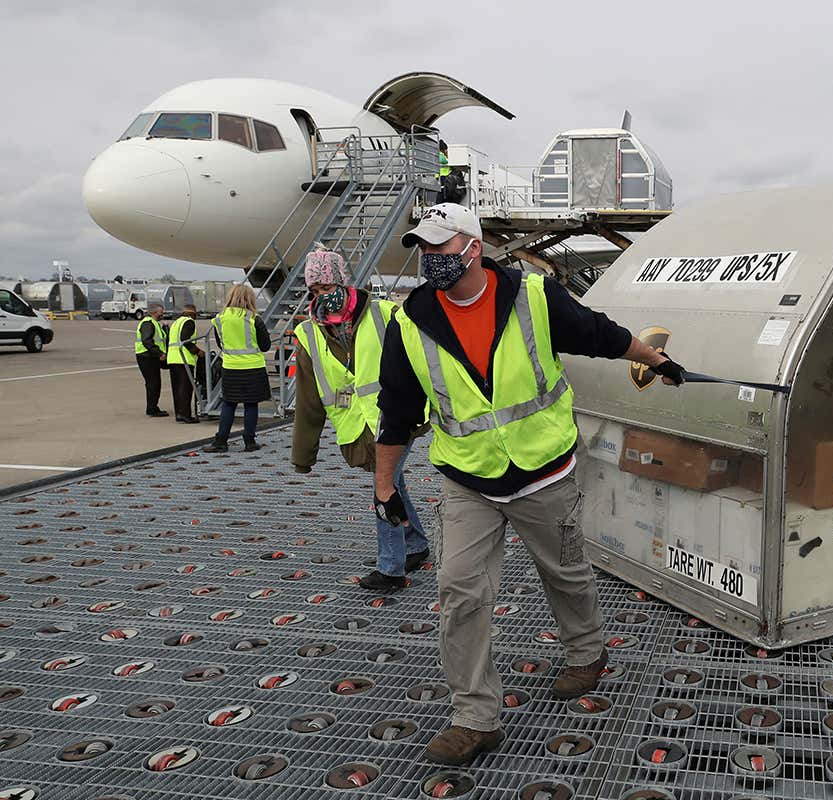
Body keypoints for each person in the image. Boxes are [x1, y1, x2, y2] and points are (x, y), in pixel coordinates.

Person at [374, 203, 686, 765]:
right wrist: (384, 487)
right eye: (423, 248)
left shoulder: (532, 296)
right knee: (459, 589)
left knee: (564, 571)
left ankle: (587, 654)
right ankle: (475, 716)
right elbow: (396, 411)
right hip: (467, 479)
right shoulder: (409, 321)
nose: (430, 259)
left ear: (472, 246)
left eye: (440, 248)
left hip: (545, 473)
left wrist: (653, 359)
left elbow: (600, 336)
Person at [291, 248, 429, 589]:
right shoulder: (309, 334)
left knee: (383, 486)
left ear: (342, 281)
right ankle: (417, 543)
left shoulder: (385, 314)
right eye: (316, 291)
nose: (323, 296)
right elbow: (309, 399)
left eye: (327, 287)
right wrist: (303, 455)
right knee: (393, 482)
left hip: (396, 418)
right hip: (359, 427)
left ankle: (391, 569)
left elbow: (421, 361)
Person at [203, 285, 270, 453]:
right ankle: (249, 441)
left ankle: (221, 441)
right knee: (251, 405)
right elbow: (265, 345)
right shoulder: (254, 318)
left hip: (231, 367)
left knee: (229, 404)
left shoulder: (220, 318)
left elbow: (220, 344)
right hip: (253, 367)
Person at [167, 304, 203, 423]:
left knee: (176, 388)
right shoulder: (189, 322)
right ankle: (185, 414)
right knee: (186, 388)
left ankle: (179, 413)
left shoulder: (176, 323)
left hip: (172, 359)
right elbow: (184, 338)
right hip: (183, 359)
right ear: (193, 313)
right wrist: (197, 351)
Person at [134, 303, 169, 417]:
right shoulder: (147, 324)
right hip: (147, 357)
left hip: (150, 356)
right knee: (153, 383)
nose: (162, 314)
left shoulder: (154, 323)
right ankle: (152, 409)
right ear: (154, 312)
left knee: (154, 383)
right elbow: (147, 341)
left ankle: (153, 407)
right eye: (161, 312)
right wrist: (159, 353)